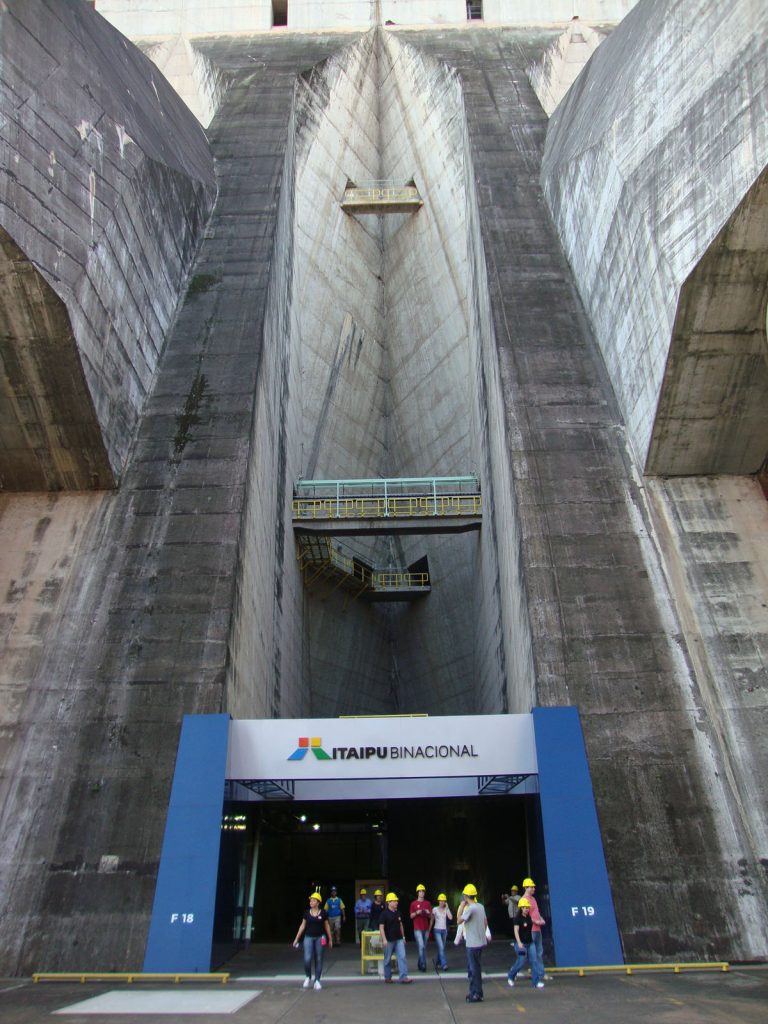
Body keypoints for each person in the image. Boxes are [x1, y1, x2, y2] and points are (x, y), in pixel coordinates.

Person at [292, 891, 333, 991]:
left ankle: (317, 980)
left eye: (313, 900)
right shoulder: (306, 913)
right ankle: (308, 977)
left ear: (318, 902)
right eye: (310, 900)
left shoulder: (323, 913)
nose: (311, 902)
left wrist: (330, 939)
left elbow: (327, 926)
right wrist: (297, 938)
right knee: (307, 958)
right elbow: (302, 926)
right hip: (308, 937)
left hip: (320, 937)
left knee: (319, 959)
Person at [457, 883, 487, 1003]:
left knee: (473, 969)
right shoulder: (481, 906)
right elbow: (485, 922)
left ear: (465, 896)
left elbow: (458, 920)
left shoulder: (470, 909)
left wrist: (461, 907)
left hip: (472, 943)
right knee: (477, 968)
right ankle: (475, 992)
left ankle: (476, 994)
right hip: (480, 942)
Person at [507, 897, 544, 988]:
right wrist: (519, 943)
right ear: (521, 908)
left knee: (534, 961)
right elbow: (516, 931)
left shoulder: (529, 917)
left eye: (527, 907)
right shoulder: (517, 919)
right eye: (524, 907)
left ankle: (536, 982)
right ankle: (511, 976)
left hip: (530, 943)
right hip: (521, 944)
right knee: (521, 961)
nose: (526, 909)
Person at [378, 892, 413, 984]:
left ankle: (403, 977)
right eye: (394, 901)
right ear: (389, 902)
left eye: (396, 901)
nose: (396, 902)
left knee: (402, 957)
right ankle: (388, 977)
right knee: (387, 959)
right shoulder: (384, 914)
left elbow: (401, 925)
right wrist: (384, 939)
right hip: (389, 940)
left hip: (399, 939)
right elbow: (381, 928)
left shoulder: (398, 913)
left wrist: (403, 937)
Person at [521, 878, 546, 972]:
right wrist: (537, 922)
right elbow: (525, 915)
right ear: (526, 888)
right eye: (531, 887)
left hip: (537, 929)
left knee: (539, 952)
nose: (534, 889)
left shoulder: (533, 899)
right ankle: (514, 971)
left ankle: (540, 973)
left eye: (533, 887)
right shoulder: (523, 900)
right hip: (530, 930)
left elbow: (536, 912)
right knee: (527, 954)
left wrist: (541, 919)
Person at [409, 883, 432, 972]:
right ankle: (423, 965)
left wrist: (427, 912)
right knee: (421, 946)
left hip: (425, 928)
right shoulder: (413, 904)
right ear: (417, 893)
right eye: (420, 891)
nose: (421, 893)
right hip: (417, 928)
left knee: (423, 947)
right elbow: (411, 916)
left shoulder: (428, 903)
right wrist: (417, 912)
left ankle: (419, 963)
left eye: (423, 891)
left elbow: (431, 917)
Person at [431, 892, 453, 970]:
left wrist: (447, 908)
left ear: (445, 902)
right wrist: (429, 929)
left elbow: (450, 917)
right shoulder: (435, 909)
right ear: (438, 901)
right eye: (440, 900)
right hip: (437, 930)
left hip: (444, 931)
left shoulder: (446, 909)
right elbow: (432, 919)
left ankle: (437, 963)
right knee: (441, 947)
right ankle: (444, 964)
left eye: (443, 901)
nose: (442, 902)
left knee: (442, 948)